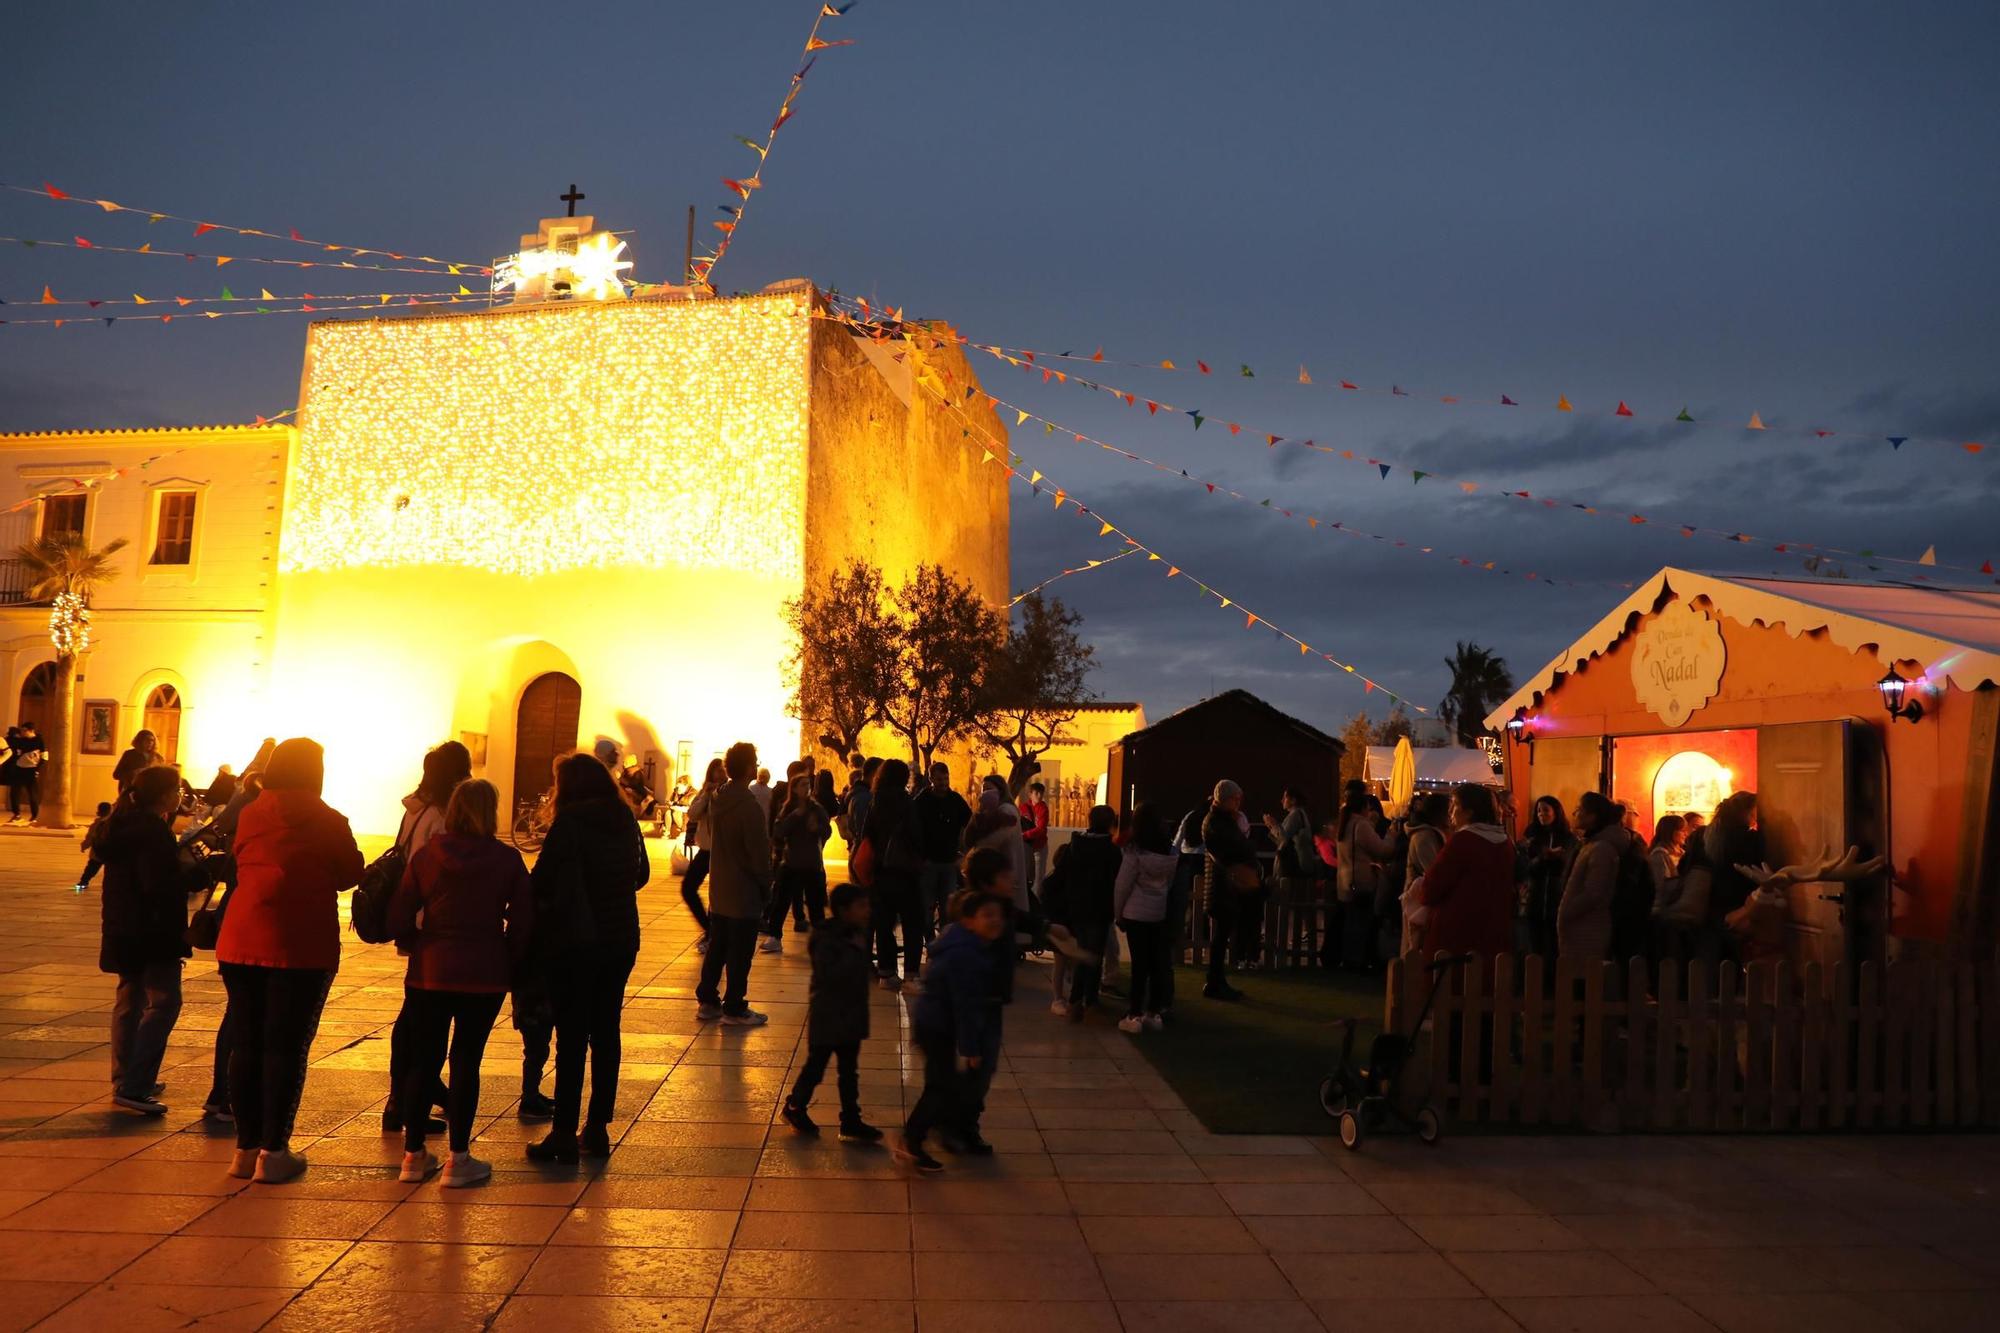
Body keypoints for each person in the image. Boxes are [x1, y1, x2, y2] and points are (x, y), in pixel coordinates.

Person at [215, 738, 365, 1184]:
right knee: (285, 1048)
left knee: (247, 1044)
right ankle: (274, 1151)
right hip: (301, 946)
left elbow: (242, 858)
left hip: (241, 939)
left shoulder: (250, 813)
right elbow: (350, 873)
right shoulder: (328, 819)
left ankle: (244, 1151)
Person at [385, 778, 530, 1186]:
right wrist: (510, 960)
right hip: (483, 972)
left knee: (424, 1060)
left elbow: (400, 913)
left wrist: (419, 943)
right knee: (467, 1060)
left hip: (431, 970)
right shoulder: (506, 859)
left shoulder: (429, 855)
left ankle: (413, 1156)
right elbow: (523, 921)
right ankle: (458, 1158)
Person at [526, 753, 649, 1163]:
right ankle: (597, 1128)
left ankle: (563, 1132)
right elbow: (642, 875)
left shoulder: (571, 823)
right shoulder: (625, 818)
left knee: (573, 1037)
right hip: (620, 940)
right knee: (607, 1032)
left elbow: (541, 880)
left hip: (577, 941)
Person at [383, 741, 473, 1137]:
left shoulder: (415, 813)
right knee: (422, 1018)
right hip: (430, 924)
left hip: (413, 920)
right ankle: (411, 1096)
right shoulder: (439, 817)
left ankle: (401, 1098)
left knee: (413, 1012)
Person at [99, 766, 200, 1114]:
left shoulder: (125, 825)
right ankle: (136, 1084)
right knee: (164, 1003)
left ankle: (125, 1077)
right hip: (151, 931)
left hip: (124, 928)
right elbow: (157, 885)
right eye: (176, 791)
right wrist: (191, 874)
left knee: (130, 1001)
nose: (180, 798)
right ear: (163, 796)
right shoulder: (152, 831)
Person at [898, 874, 1008, 1174]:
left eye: (997, 915)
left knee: (943, 1085)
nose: (995, 921)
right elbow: (964, 1005)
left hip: (934, 1025)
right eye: (987, 915)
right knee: (940, 1087)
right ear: (969, 920)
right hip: (938, 1028)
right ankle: (912, 1140)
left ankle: (933, 1133)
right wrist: (971, 1048)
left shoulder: (961, 941)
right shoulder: (966, 955)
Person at [781, 882, 881, 1141]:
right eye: (861, 906)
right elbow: (831, 975)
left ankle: (851, 1119)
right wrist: (857, 952)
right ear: (843, 910)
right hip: (828, 1015)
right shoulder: (826, 937)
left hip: (851, 1014)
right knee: (816, 1066)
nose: (867, 911)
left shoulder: (856, 932)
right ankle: (795, 1107)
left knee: (849, 1071)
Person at [693, 742, 772, 1027]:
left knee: (718, 946)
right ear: (750, 767)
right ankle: (735, 1006)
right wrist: (766, 885)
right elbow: (758, 852)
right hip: (744, 890)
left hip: (720, 887)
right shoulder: (748, 807)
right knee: (740, 953)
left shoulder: (719, 799)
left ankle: (707, 999)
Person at [1417, 784, 1516, 960]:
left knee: (1451, 982)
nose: (1450, 811)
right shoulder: (1506, 843)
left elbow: (1432, 888)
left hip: (1456, 927)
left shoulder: (1462, 841)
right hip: (1494, 926)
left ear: (1469, 811)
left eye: (1455, 805)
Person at [1050, 805, 1121, 1019]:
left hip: (1076, 908)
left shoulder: (1075, 845)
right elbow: (1116, 880)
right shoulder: (1111, 850)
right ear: (1110, 824)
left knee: (1081, 952)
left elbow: (1060, 876)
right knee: (1094, 955)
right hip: (1099, 909)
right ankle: (1089, 1000)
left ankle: (1075, 1000)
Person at [861, 759, 925, 990]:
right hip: (905, 873)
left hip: (881, 872)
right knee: (912, 923)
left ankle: (886, 974)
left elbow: (866, 833)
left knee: (884, 923)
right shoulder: (906, 802)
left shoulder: (875, 801)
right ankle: (910, 974)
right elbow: (916, 836)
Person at [1113, 803, 1177, 1033]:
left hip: (1135, 913)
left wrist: (1118, 913)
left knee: (1139, 966)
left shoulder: (1134, 852)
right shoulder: (1168, 853)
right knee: (1156, 964)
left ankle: (1134, 1013)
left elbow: (1122, 885)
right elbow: (1169, 883)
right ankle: (1153, 1012)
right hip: (1157, 912)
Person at [1201, 781, 1257, 1001]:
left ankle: (1217, 980)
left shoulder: (1220, 820)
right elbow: (1233, 849)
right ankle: (1214, 981)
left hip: (1225, 884)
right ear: (1225, 799)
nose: (1238, 803)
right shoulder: (1216, 822)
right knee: (1219, 937)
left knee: (1221, 937)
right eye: (1235, 799)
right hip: (1221, 885)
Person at [1558, 791, 1630, 962]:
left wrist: (1567, 910)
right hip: (1582, 925)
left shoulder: (1601, 848)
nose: (1575, 814)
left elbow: (1594, 892)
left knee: (1587, 980)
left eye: (1579, 809)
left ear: (1592, 816)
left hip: (1588, 928)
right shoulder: (1590, 845)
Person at [762, 775, 829, 948]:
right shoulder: (788, 808)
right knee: (781, 902)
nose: (806, 787)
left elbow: (827, 830)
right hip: (791, 862)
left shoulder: (816, 809)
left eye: (808, 784)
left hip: (812, 863)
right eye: (802, 784)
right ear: (794, 788)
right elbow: (779, 830)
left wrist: (818, 828)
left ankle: (821, 940)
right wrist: (795, 816)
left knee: (815, 905)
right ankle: (775, 936)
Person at [1335, 788, 1396, 970]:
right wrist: (1391, 835)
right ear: (1363, 807)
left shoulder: (1344, 823)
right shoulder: (1361, 825)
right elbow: (1382, 850)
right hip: (1362, 881)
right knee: (1362, 923)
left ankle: (1349, 959)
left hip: (1345, 881)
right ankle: (1358, 961)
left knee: (1351, 922)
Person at [1701, 791, 1765, 963]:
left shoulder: (1711, 834)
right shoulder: (1748, 838)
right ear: (1748, 812)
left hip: (1713, 900)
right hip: (1740, 899)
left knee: (1719, 958)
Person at [910, 762, 971, 939]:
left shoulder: (955, 800)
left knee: (948, 908)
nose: (943, 783)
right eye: (939, 779)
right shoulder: (922, 801)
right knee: (927, 907)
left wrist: (963, 852)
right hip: (928, 863)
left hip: (949, 862)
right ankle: (929, 941)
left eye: (945, 778)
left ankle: (945, 942)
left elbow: (970, 824)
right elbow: (914, 830)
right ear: (931, 779)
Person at [1519, 796, 1575, 957]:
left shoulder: (1568, 837)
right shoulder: (1531, 836)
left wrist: (1560, 857)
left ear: (1555, 812)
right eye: (1538, 811)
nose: (1541, 814)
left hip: (1557, 897)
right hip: (1534, 898)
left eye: (1545, 810)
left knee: (1555, 946)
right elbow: (1524, 866)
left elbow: (1570, 864)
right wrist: (1542, 857)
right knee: (1534, 946)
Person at [1398, 792, 1450, 956]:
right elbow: (1433, 869)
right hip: (1419, 899)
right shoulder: (1424, 836)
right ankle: (1410, 976)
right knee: (1416, 942)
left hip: (1423, 896)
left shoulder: (1431, 833)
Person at [681, 758, 725, 949]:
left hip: (722, 852)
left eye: (722, 770)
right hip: (706, 849)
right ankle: (710, 930)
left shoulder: (728, 793)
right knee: (688, 888)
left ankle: (714, 936)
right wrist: (706, 795)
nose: (720, 774)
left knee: (717, 895)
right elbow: (693, 813)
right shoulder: (704, 792)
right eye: (716, 770)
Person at [4, 720, 46, 824]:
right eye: (21, 730)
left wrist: (37, 769)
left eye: (24, 730)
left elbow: (44, 756)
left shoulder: (39, 740)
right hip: (19, 769)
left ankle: (34, 816)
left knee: (32, 794)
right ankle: (16, 815)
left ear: (31, 730)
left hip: (31, 770)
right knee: (14, 793)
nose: (22, 732)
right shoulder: (21, 741)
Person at [74, 800, 115, 893]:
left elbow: (90, 837)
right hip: (110, 851)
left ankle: (83, 882)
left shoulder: (96, 824)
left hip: (98, 852)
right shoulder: (113, 822)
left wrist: (84, 846)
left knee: (91, 868)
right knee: (111, 870)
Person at [112, 728, 161, 797]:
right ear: (140, 741)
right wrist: (133, 773)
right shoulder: (129, 754)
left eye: (152, 740)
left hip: (150, 793)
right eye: (147, 740)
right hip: (131, 792)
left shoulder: (158, 757)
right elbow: (116, 774)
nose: (150, 742)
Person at [1021, 781, 1051, 892]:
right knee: (1026, 877)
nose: (1039, 796)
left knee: (1038, 880)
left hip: (1039, 847)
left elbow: (1041, 829)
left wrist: (1024, 835)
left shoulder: (1043, 808)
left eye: (1041, 793)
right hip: (1027, 847)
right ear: (1030, 794)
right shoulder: (1023, 807)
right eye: (1036, 793)